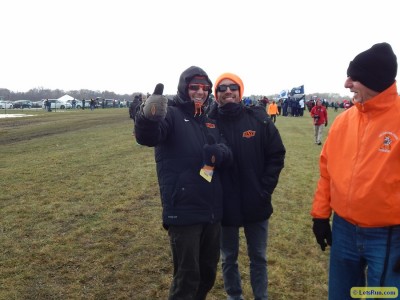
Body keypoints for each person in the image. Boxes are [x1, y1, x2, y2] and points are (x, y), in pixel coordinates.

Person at [311, 42, 400, 300]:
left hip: (389, 237)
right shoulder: (343, 121)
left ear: (375, 80)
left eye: (355, 77)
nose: (347, 83)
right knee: (342, 295)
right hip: (344, 230)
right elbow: (327, 172)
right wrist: (319, 216)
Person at [134, 66, 232, 300]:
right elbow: (148, 136)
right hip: (183, 210)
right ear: (184, 88)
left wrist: (219, 153)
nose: (200, 92)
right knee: (187, 277)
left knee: (207, 274)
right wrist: (147, 118)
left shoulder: (209, 119)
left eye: (204, 88)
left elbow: (227, 149)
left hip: (211, 211)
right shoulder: (171, 114)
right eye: (194, 87)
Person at [208, 73, 286, 300]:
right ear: (217, 94)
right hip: (224, 204)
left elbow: (276, 155)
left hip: (256, 201)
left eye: (233, 87)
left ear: (240, 91)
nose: (228, 91)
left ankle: (261, 296)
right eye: (222, 88)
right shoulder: (208, 123)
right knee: (228, 257)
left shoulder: (258, 119)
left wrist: (265, 190)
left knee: (258, 257)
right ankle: (235, 296)